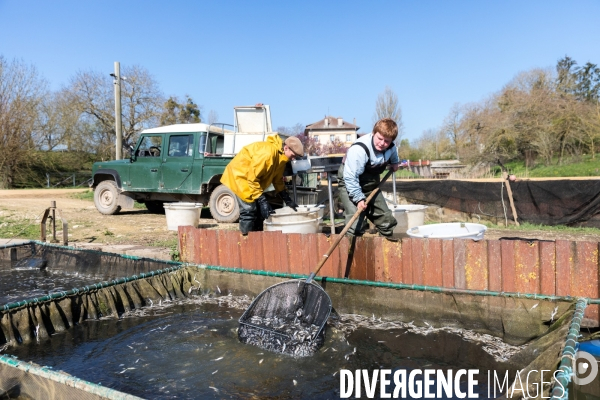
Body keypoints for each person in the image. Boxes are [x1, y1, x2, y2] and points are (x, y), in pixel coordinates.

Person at [220, 135, 304, 235]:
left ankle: (256, 239)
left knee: (260, 211)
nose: (293, 159)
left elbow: (277, 180)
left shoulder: (282, 158)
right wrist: (262, 201)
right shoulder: (267, 153)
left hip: (251, 179)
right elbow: (252, 179)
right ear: (286, 148)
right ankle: (245, 241)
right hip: (240, 176)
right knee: (249, 210)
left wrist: (287, 199)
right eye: (293, 155)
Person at [337, 118, 400, 241]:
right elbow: (350, 177)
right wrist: (358, 198)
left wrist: (395, 162)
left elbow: (393, 153)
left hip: (370, 185)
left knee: (386, 221)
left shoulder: (391, 147)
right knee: (355, 224)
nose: (382, 143)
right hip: (350, 183)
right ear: (373, 133)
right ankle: (352, 254)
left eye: (386, 141)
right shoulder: (359, 149)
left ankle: (385, 255)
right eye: (379, 138)